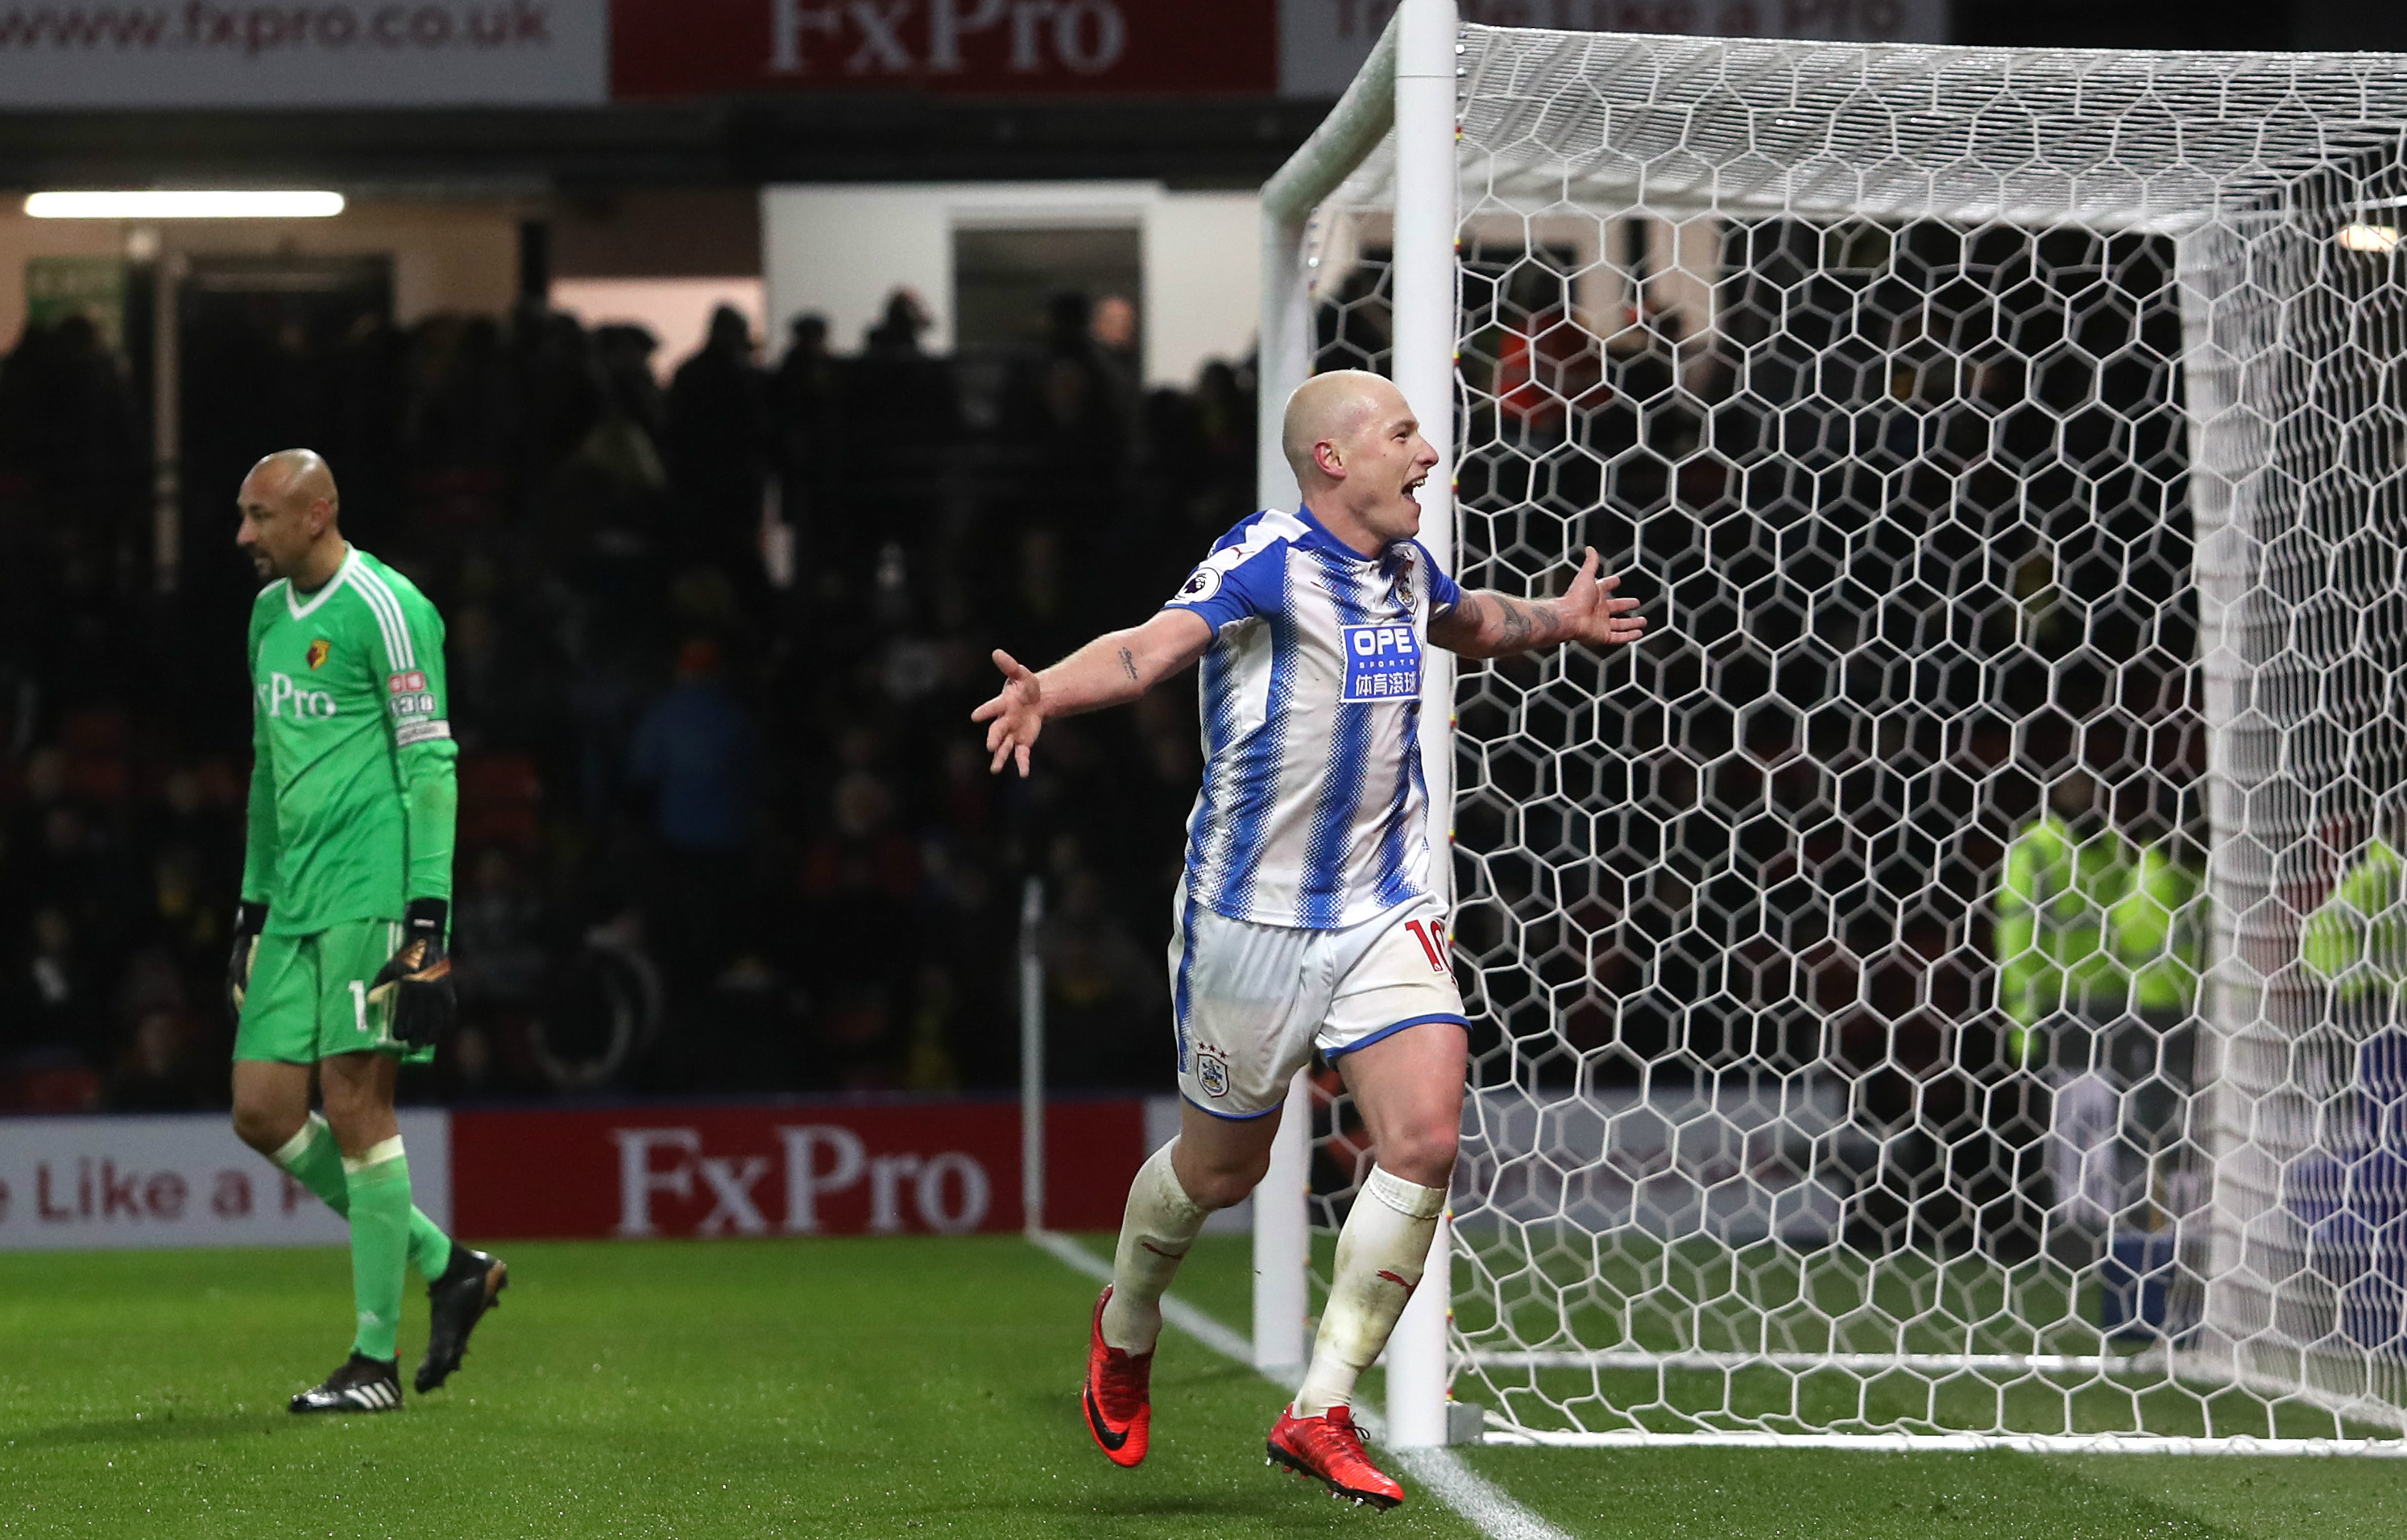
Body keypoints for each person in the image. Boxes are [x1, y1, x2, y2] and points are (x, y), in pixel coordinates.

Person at [972, 369, 1645, 1508]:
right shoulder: (1268, 558)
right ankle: (1127, 1322)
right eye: (1402, 435)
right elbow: (1151, 645)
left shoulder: (1403, 567)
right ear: (1333, 459)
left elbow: (1468, 619)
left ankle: (1321, 1407)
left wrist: (1556, 624)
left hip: (1384, 908)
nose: (1428, 455)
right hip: (1250, 923)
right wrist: (1051, 691)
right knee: (1220, 1173)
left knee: (1427, 1139)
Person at [225, 449, 507, 1414]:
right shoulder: (267, 618)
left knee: (355, 1108)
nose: (244, 536)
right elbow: (267, 771)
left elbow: (432, 766)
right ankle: (448, 1263)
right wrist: (251, 909)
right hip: (293, 897)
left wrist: (428, 920)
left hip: (371, 887)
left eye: (259, 516)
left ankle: (372, 1362)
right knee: (260, 1109)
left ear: (317, 513)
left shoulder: (389, 607)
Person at [1995, 772, 2200, 1244]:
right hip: (2059, 1006)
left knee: (2110, 1117)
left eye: (2093, 784)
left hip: (2114, 1007)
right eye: (2076, 785)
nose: (2088, 793)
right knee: (2074, 1119)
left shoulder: (2111, 847)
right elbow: (2017, 935)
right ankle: (2071, 1223)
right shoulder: (2035, 850)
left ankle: (2105, 1222)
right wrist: (2024, 1018)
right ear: (2055, 789)